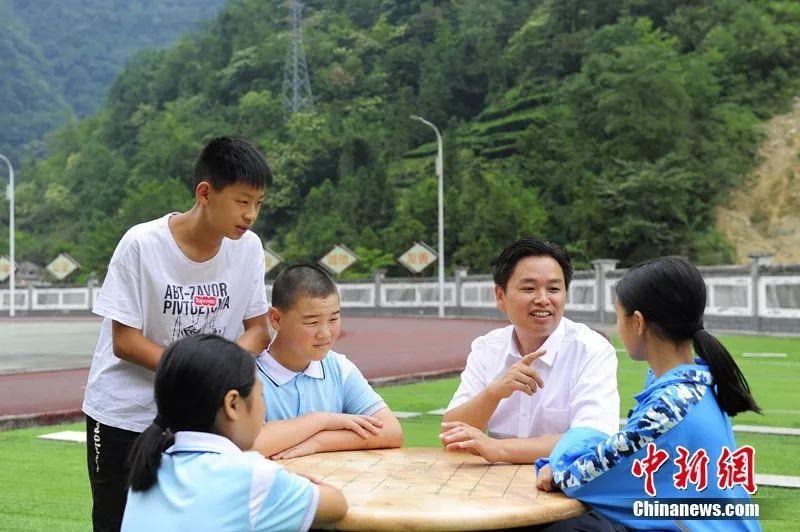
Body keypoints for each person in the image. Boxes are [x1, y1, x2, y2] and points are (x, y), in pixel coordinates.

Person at [82, 137, 272, 531]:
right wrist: (199, 372)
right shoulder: (142, 244)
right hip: (124, 416)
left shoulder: (249, 249)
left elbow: (258, 330)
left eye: (258, 203)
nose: (251, 214)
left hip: (199, 418)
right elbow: (125, 341)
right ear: (205, 193)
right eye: (242, 201)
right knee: (116, 522)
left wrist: (219, 373)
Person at [536, 257, 761, 531]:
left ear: (638, 322)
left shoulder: (671, 405)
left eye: (617, 317)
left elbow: (577, 477)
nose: (617, 328)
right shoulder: (695, 382)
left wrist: (556, 466)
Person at [121, 334, 347, 531]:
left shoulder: (149, 466)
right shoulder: (252, 475)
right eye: (260, 396)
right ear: (232, 404)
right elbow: (337, 505)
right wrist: (287, 481)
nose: (263, 407)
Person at [441, 237, 619, 463]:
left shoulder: (591, 349)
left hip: (561, 486)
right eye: (529, 288)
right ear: (500, 296)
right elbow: (450, 434)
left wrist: (499, 449)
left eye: (554, 288)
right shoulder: (487, 348)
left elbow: (592, 439)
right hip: (493, 487)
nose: (543, 299)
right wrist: (493, 393)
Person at [252, 264, 403, 459]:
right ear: (276, 319)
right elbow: (251, 445)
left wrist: (318, 442)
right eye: (312, 322)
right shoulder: (249, 376)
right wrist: (321, 420)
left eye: (333, 319)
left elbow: (391, 431)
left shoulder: (339, 368)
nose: (325, 333)